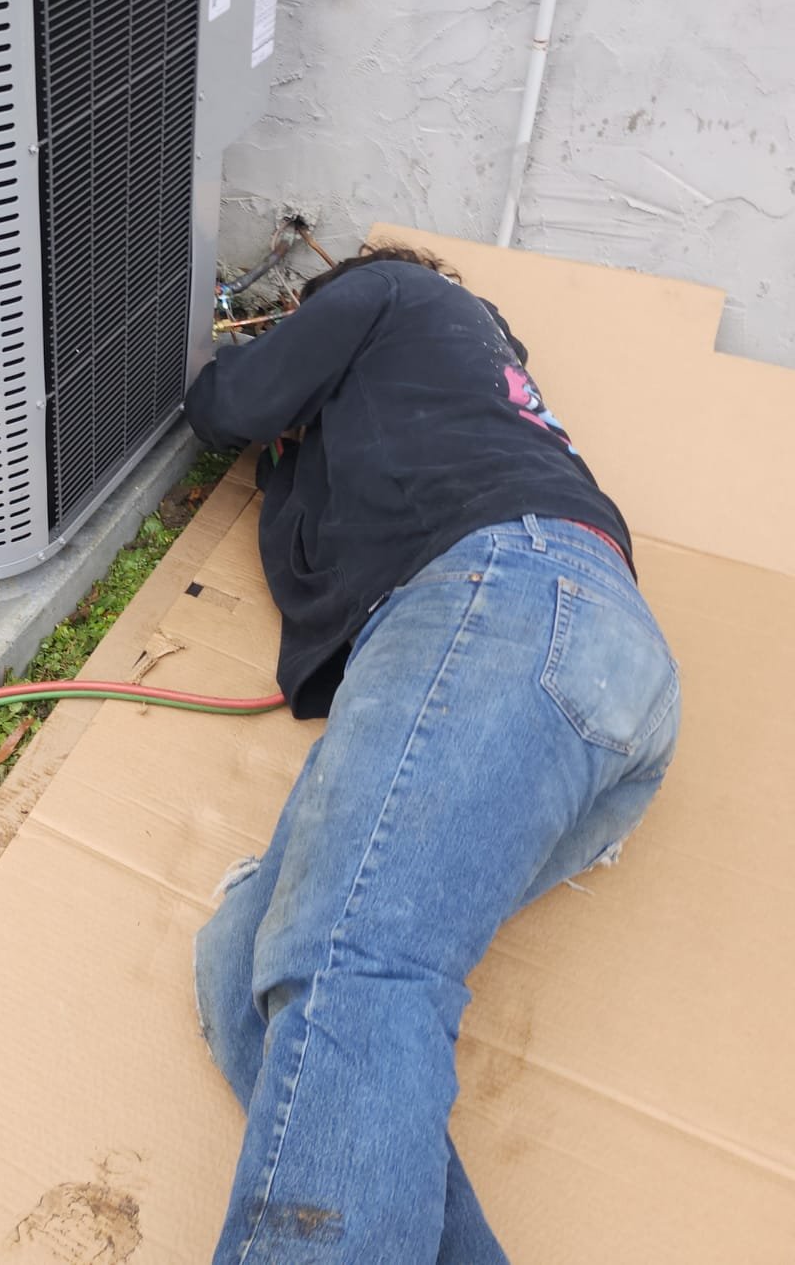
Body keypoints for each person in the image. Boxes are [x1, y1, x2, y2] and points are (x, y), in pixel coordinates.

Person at [184, 243, 680, 1264]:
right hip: (578, 657)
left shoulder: (393, 288)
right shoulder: (464, 381)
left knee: (349, 965)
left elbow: (229, 404)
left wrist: (261, 376)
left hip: (507, 599)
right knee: (246, 966)